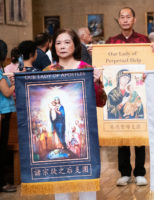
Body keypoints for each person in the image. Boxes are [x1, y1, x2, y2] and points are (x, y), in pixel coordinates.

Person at [43, 28, 107, 200]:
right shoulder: (47, 71)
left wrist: (95, 81)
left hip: (84, 132)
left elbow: (101, 102)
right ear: (53, 47)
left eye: (67, 42)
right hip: (57, 124)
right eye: (58, 43)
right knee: (61, 181)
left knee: (87, 181)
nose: (62, 46)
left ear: (75, 45)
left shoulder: (87, 69)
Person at [106, 7, 154, 187]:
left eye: (128, 17)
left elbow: (150, 66)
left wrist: (153, 52)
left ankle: (140, 172)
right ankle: (125, 172)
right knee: (122, 135)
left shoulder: (143, 41)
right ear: (118, 20)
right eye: (122, 17)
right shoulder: (111, 41)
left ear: (134, 20)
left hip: (137, 91)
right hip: (118, 93)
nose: (125, 20)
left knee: (139, 133)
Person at [0, 40, 17, 193]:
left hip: (5, 112)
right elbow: (6, 92)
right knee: (2, 148)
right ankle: (2, 183)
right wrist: (15, 83)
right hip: (3, 113)